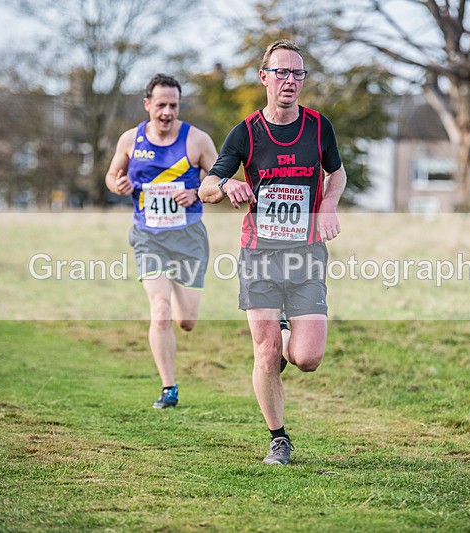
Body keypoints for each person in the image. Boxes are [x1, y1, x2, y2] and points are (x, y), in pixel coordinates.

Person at [199, 40, 346, 465]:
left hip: (306, 254)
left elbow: (336, 174)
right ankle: (278, 438)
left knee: (306, 358)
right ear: (264, 77)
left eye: (297, 74)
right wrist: (227, 185)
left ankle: (286, 335)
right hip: (259, 253)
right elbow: (207, 186)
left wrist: (327, 209)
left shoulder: (319, 127)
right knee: (263, 352)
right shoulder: (246, 132)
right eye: (281, 72)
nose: (289, 81)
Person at [105, 73, 218, 409]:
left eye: (174, 105)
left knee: (186, 321)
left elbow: (220, 185)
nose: (167, 112)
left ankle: (182, 308)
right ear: (147, 105)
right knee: (161, 309)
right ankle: (169, 388)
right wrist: (118, 186)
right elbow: (112, 176)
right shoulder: (130, 139)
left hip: (188, 236)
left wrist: (196, 190)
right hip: (148, 236)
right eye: (161, 105)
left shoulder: (197, 141)